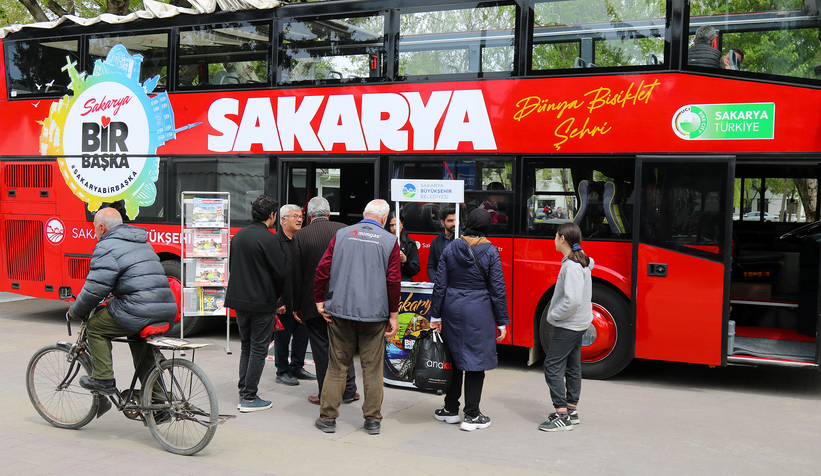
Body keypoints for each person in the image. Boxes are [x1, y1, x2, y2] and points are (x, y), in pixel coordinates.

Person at [68, 208, 177, 400]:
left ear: (102, 227)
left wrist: (75, 311)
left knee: (95, 327)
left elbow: (94, 289)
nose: (95, 232)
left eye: (95, 228)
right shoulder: (142, 242)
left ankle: (103, 380)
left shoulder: (106, 246)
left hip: (138, 309)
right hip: (166, 307)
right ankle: (159, 401)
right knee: (138, 340)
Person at [313, 199, 401, 436]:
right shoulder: (390, 240)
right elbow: (393, 281)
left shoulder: (342, 234)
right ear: (384, 219)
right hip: (374, 315)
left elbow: (323, 269)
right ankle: (372, 421)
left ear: (364, 214)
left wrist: (320, 300)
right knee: (372, 369)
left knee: (337, 366)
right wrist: (394, 315)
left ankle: (328, 418)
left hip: (341, 311)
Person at [429, 208, 509, 432]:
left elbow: (440, 284)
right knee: (476, 361)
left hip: (452, 308)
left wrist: (435, 315)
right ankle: (472, 415)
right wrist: (501, 321)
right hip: (479, 310)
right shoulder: (491, 251)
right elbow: (498, 290)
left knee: (454, 358)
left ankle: (450, 410)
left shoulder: (451, 247)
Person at [290, 197, 359, 406]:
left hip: (313, 303)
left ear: (309, 216)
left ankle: (324, 393)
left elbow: (296, 274)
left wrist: (297, 306)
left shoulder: (301, 236)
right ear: (329, 213)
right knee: (345, 344)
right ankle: (349, 390)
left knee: (321, 349)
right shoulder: (346, 230)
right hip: (343, 301)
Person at [225, 194, 287, 413]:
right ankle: (249, 398)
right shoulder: (270, 239)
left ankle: (244, 391)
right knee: (259, 349)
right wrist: (279, 297)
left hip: (239, 300)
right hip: (262, 301)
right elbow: (280, 273)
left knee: (246, 347)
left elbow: (233, 266)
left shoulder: (239, 235)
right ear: (271, 215)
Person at [539, 222, 594, 432]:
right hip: (579, 323)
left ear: (562, 239)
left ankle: (562, 415)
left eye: (555, 236)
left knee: (552, 366)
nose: (553, 239)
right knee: (572, 366)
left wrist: (554, 315)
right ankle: (572, 410)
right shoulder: (581, 260)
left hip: (569, 324)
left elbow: (571, 301)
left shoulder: (571, 266)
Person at [273, 204, 316, 386]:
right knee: (282, 337)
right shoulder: (275, 242)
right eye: (295, 216)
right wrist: (278, 300)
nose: (300, 219)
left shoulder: (301, 238)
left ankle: (296, 366)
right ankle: (282, 370)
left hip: (301, 299)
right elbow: (272, 274)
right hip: (284, 301)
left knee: (302, 334)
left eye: (301, 216)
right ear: (283, 219)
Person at [387, 211, 421, 282]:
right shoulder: (384, 241)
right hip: (387, 281)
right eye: (391, 225)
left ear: (402, 224)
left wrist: (405, 260)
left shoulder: (410, 243)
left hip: (404, 282)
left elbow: (415, 270)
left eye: (397, 224)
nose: (395, 228)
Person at [426, 206, 456, 282]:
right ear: (442, 222)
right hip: (442, 285)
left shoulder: (465, 239)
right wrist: (437, 281)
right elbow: (431, 267)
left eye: (456, 220)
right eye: (450, 220)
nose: (454, 223)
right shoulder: (435, 242)